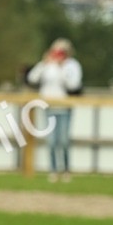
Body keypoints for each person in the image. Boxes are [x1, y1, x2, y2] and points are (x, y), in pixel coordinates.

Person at [27, 38, 83, 181]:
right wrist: (44, 63)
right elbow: (32, 78)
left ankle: (65, 170)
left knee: (63, 140)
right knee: (51, 141)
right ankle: (52, 170)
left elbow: (73, 85)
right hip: (49, 107)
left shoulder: (72, 65)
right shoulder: (47, 65)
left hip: (64, 107)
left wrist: (61, 67)